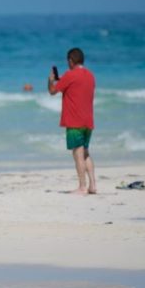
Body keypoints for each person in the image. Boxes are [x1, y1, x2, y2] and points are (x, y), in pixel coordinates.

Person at [48, 47, 97, 195]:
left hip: (74, 121)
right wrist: (63, 79)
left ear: (71, 60)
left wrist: (51, 81)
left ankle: (82, 186)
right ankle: (92, 185)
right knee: (86, 153)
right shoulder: (90, 75)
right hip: (88, 120)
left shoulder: (70, 75)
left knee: (78, 154)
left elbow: (52, 91)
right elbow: (77, 87)